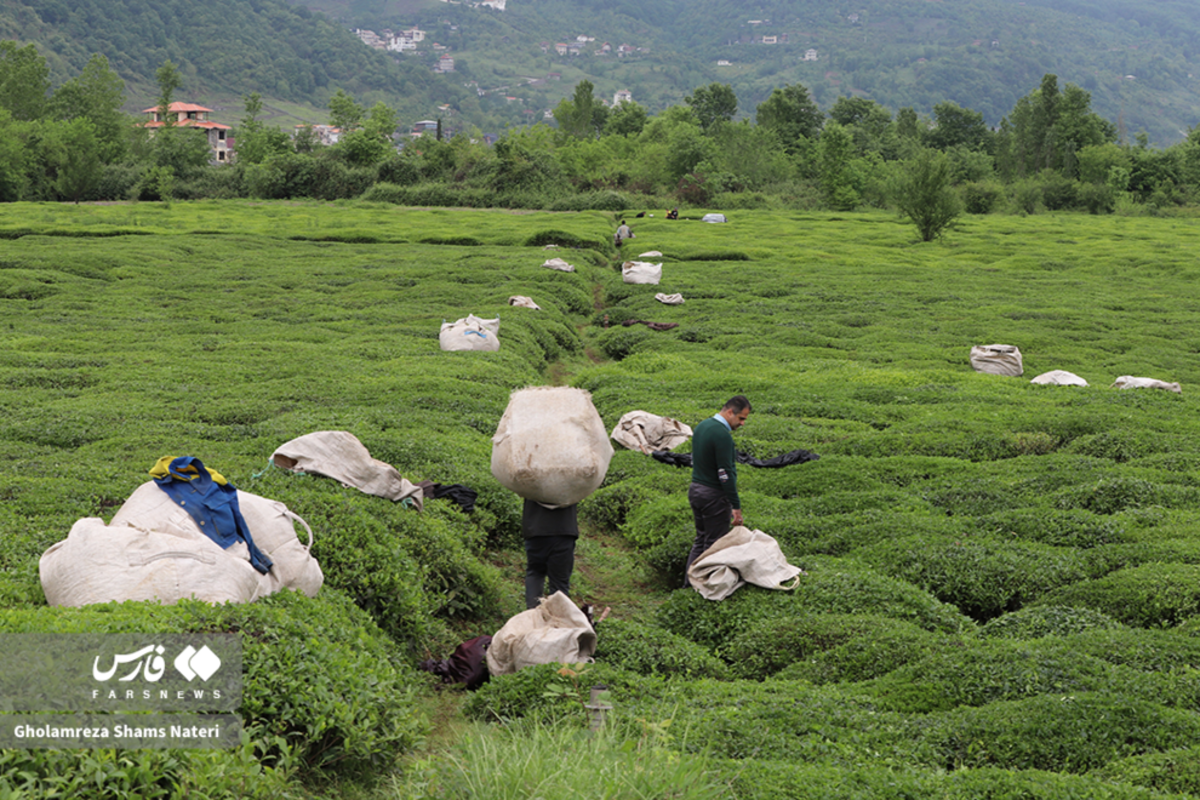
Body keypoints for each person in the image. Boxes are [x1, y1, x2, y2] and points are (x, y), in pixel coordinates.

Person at [685, 395, 751, 584]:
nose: (742, 423)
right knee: (714, 546)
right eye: (741, 418)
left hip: (696, 490)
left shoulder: (702, 426)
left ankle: (687, 585)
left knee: (701, 541)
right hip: (713, 495)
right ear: (730, 412)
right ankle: (703, 589)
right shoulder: (722, 435)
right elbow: (725, 474)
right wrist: (735, 505)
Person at [522, 499, 579, 609]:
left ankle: (533, 615)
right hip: (563, 530)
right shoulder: (568, 483)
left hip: (535, 529)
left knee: (535, 573)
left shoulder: (530, 482)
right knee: (559, 582)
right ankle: (557, 620)